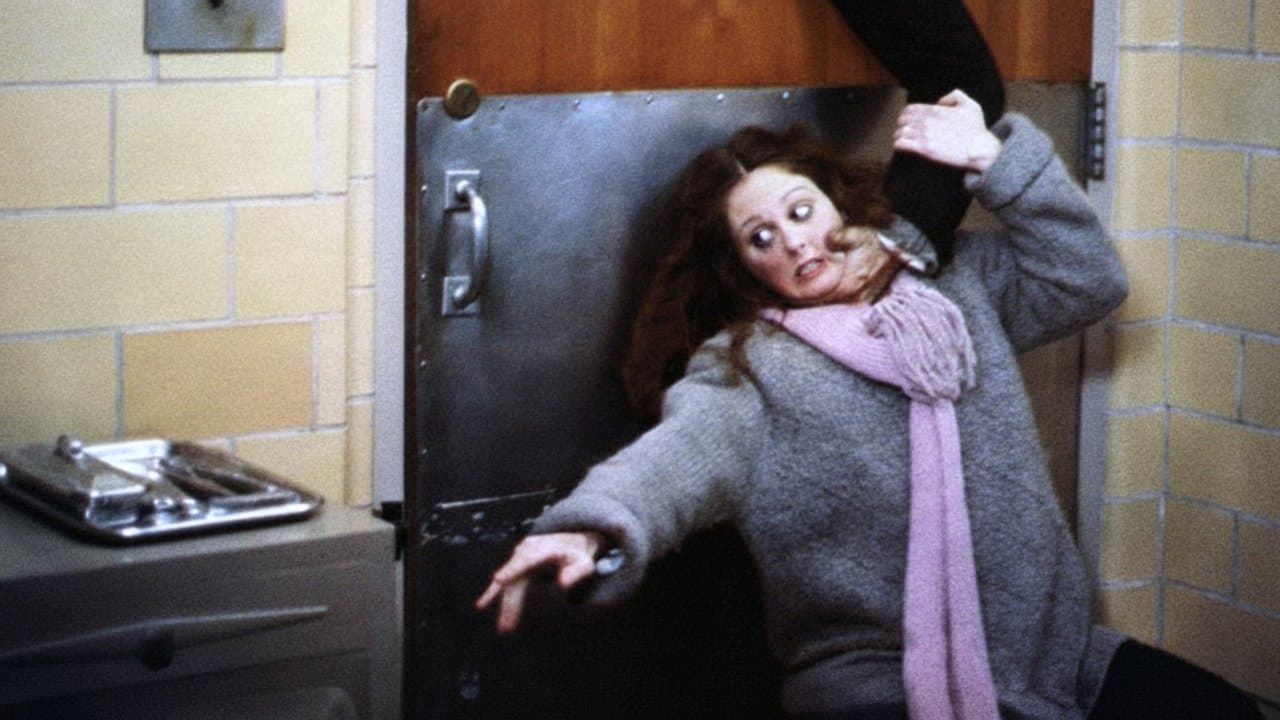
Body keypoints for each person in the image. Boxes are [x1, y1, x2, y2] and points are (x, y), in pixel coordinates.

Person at [476, 92, 1263, 719]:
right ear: (744, 270)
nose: (793, 242)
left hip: (1052, 658)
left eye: (799, 210)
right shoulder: (749, 368)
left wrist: (994, 161)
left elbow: (1086, 279)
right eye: (760, 238)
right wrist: (593, 526)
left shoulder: (952, 288)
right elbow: (676, 459)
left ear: (837, 201)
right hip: (877, 685)